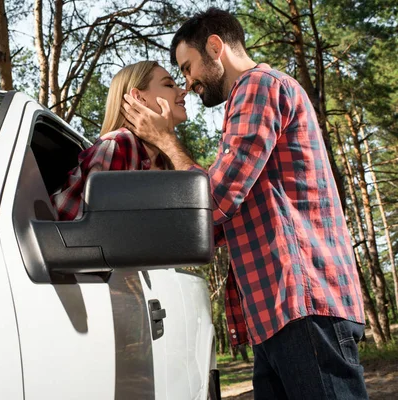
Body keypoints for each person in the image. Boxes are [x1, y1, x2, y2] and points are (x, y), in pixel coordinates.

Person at [121, 7, 368, 400]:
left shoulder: (258, 87)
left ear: (215, 47)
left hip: (301, 304)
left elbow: (216, 201)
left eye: (188, 68)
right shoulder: (245, 105)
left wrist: (168, 140)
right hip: (276, 313)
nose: (188, 84)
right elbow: (217, 226)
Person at [51, 60, 187, 221]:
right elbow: (86, 226)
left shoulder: (165, 161)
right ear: (139, 98)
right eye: (169, 85)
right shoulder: (119, 144)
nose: (183, 91)